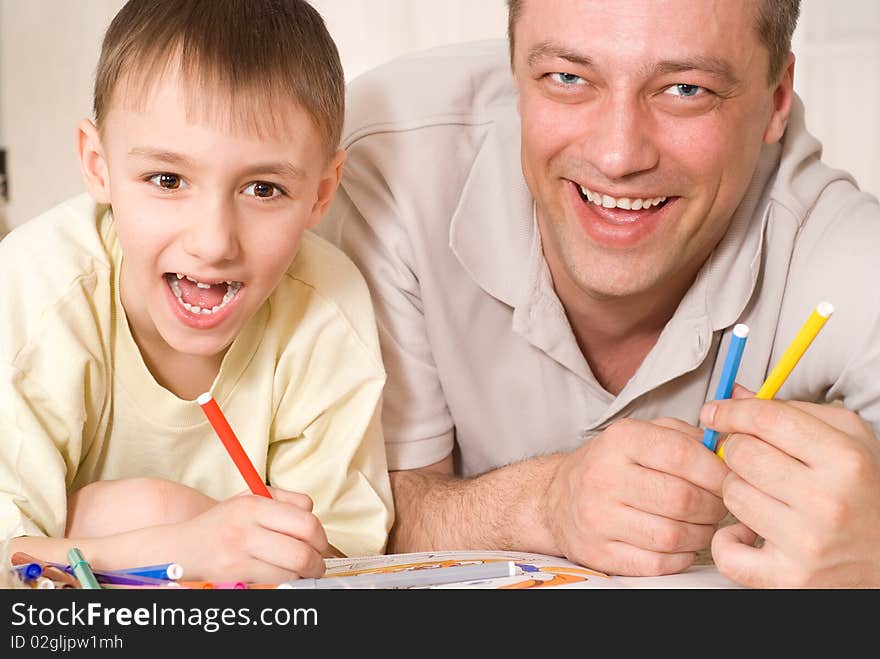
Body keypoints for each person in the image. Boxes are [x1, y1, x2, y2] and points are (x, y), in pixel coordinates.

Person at [317, 0, 880, 588]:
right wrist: (545, 503)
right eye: (567, 78)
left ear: (777, 99)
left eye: (686, 89)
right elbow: (352, 524)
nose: (618, 157)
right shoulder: (380, 165)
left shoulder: (847, 256)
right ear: (514, 69)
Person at [0, 0, 393, 584]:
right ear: (97, 164)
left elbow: (337, 569)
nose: (212, 243)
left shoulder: (326, 310)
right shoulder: (35, 289)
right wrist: (176, 532)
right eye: (167, 180)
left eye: (263, 188)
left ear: (321, 191)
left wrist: (86, 530)